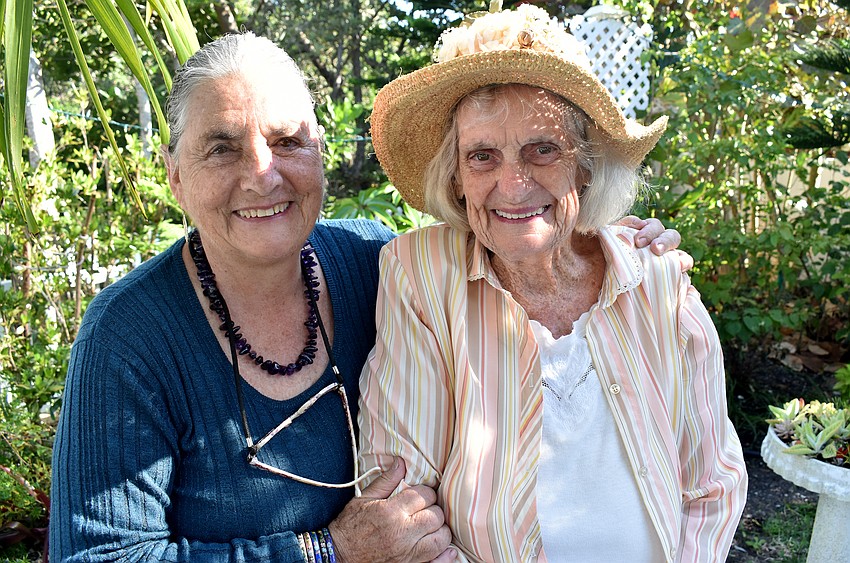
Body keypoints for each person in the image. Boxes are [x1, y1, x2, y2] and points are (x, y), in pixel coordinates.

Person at [49, 31, 682, 562]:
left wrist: (603, 241)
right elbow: (97, 557)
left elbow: (507, 232)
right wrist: (324, 551)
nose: (262, 173)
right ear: (177, 177)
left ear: (321, 157)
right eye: (222, 148)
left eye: (289, 141)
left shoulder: (375, 264)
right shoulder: (128, 337)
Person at [358, 4, 747, 563]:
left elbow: (713, 482)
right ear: (458, 177)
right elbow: (402, 501)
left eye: (543, 149)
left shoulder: (656, 280)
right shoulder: (422, 277)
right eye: (483, 156)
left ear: (584, 165)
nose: (512, 185)